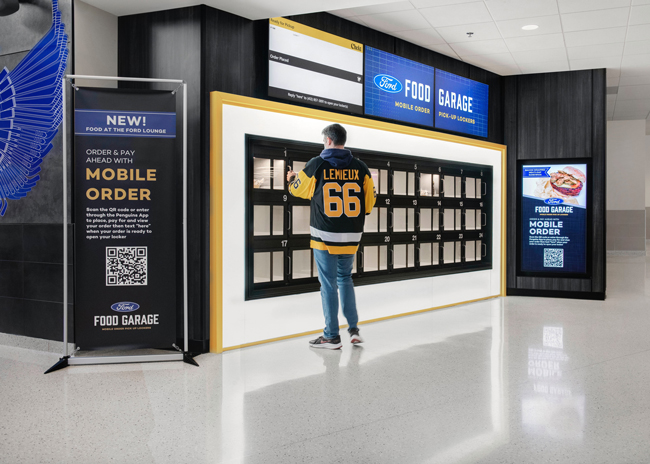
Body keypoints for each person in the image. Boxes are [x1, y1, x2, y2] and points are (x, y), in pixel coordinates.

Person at [287, 123, 376, 349]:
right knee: (345, 278)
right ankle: (353, 330)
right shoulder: (361, 168)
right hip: (351, 237)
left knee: (328, 284)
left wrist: (291, 179)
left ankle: (331, 336)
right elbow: (369, 204)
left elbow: (298, 189)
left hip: (325, 236)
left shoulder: (317, 164)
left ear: (328, 140)